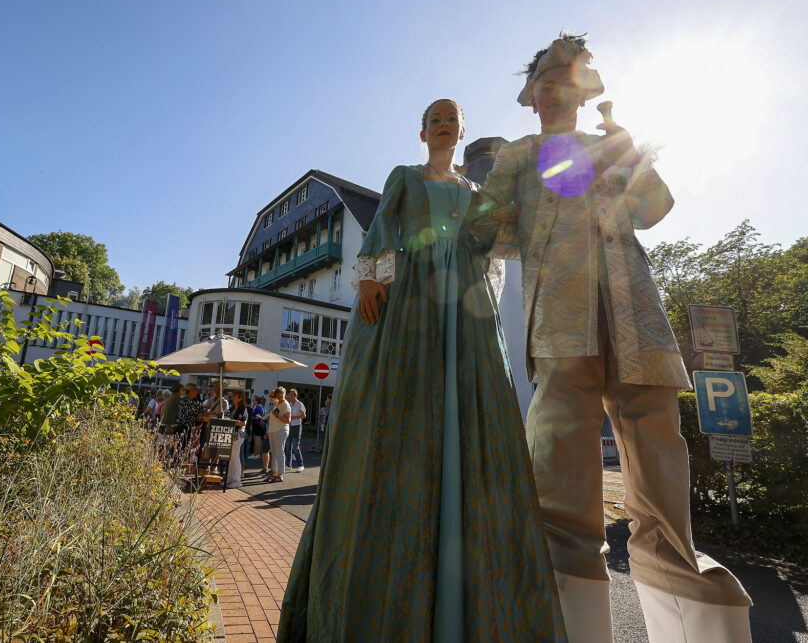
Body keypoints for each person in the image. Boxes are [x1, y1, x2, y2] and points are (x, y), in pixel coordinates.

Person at [474, 34, 752, 642]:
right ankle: (567, 584)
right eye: (546, 83)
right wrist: (507, 216)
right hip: (559, 309)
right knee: (562, 441)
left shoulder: (609, 144)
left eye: (567, 83)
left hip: (631, 301)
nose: (556, 92)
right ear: (533, 97)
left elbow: (653, 208)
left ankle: (679, 572)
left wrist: (630, 153)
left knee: (656, 430)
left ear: (583, 93)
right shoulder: (519, 153)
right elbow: (483, 227)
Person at [278, 99, 566, 642]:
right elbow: (383, 226)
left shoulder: (474, 191)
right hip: (412, 296)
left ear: (462, 130)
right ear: (423, 132)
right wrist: (370, 278)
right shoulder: (405, 177)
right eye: (435, 118)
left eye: (452, 118)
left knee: (471, 414)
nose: (444, 125)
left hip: (466, 306)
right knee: (404, 411)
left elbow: (491, 241)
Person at [226, 390, 250, 489]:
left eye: (234, 397)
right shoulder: (232, 408)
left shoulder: (242, 408)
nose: (232, 398)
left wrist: (232, 421)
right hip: (232, 433)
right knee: (232, 457)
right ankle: (230, 479)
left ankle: (237, 480)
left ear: (240, 398)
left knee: (235, 456)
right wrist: (235, 421)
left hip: (238, 434)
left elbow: (243, 423)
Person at [266, 386, 290, 483]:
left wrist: (277, 416)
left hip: (280, 430)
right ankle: (274, 473)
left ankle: (280, 474)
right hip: (273, 431)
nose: (272, 397)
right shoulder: (277, 403)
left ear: (280, 394)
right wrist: (268, 432)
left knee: (279, 452)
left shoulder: (285, 404)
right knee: (274, 453)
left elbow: (288, 420)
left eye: (273, 395)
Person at [284, 389, 306, 472]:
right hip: (289, 426)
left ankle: (300, 465)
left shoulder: (299, 404)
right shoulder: (289, 404)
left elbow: (303, 416)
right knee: (288, 447)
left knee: (295, 447)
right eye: (289, 395)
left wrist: (293, 417)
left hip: (296, 426)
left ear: (295, 396)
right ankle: (288, 465)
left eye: (291, 395)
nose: (290, 396)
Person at [249, 395, 267, 461]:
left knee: (256, 439)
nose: (253, 401)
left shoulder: (257, 407)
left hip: (256, 424)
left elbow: (256, 417)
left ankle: (255, 454)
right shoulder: (261, 407)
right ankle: (257, 454)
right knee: (258, 439)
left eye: (254, 400)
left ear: (256, 401)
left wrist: (250, 417)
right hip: (259, 424)